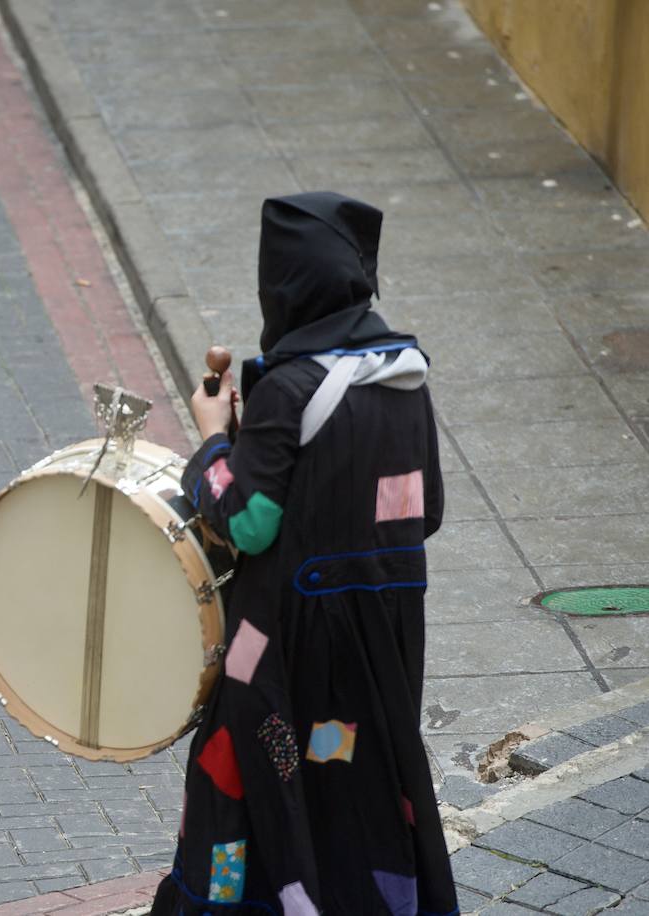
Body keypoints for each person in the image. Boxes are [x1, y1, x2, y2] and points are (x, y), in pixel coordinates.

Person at [151, 192, 457, 913]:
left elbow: (248, 523)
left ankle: (254, 902)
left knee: (252, 774)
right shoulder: (405, 376)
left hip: (282, 647)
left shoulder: (290, 389)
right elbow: (426, 512)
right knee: (355, 778)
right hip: (383, 645)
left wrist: (214, 439)